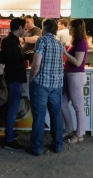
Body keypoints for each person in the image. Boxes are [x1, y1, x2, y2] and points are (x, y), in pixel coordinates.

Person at [26, 18, 64, 156]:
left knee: (39, 115)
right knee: (55, 115)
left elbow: (36, 64)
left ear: (45, 28)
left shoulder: (42, 41)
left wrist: (31, 77)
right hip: (57, 84)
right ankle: (58, 144)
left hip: (41, 83)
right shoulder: (59, 44)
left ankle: (36, 147)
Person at [1, 18, 28, 150]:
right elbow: (13, 61)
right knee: (13, 107)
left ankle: (10, 134)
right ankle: (9, 139)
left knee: (13, 107)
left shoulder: (11, 40)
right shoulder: (10, 42)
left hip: (14, 78)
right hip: (13, 78)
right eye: (24, 28)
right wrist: (25, 57)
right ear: (19, 28)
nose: (25, 30)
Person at [62, 19, 88, 144]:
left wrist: (64, 52)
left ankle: (79, 134)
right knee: (62, 104)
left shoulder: (81, 42)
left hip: (76, 76)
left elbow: (78, 62)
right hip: (71, 75)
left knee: (78, 107)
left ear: (75, 29)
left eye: (70, 27)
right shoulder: (78, 42)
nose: (69, 29)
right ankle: (70, 129)